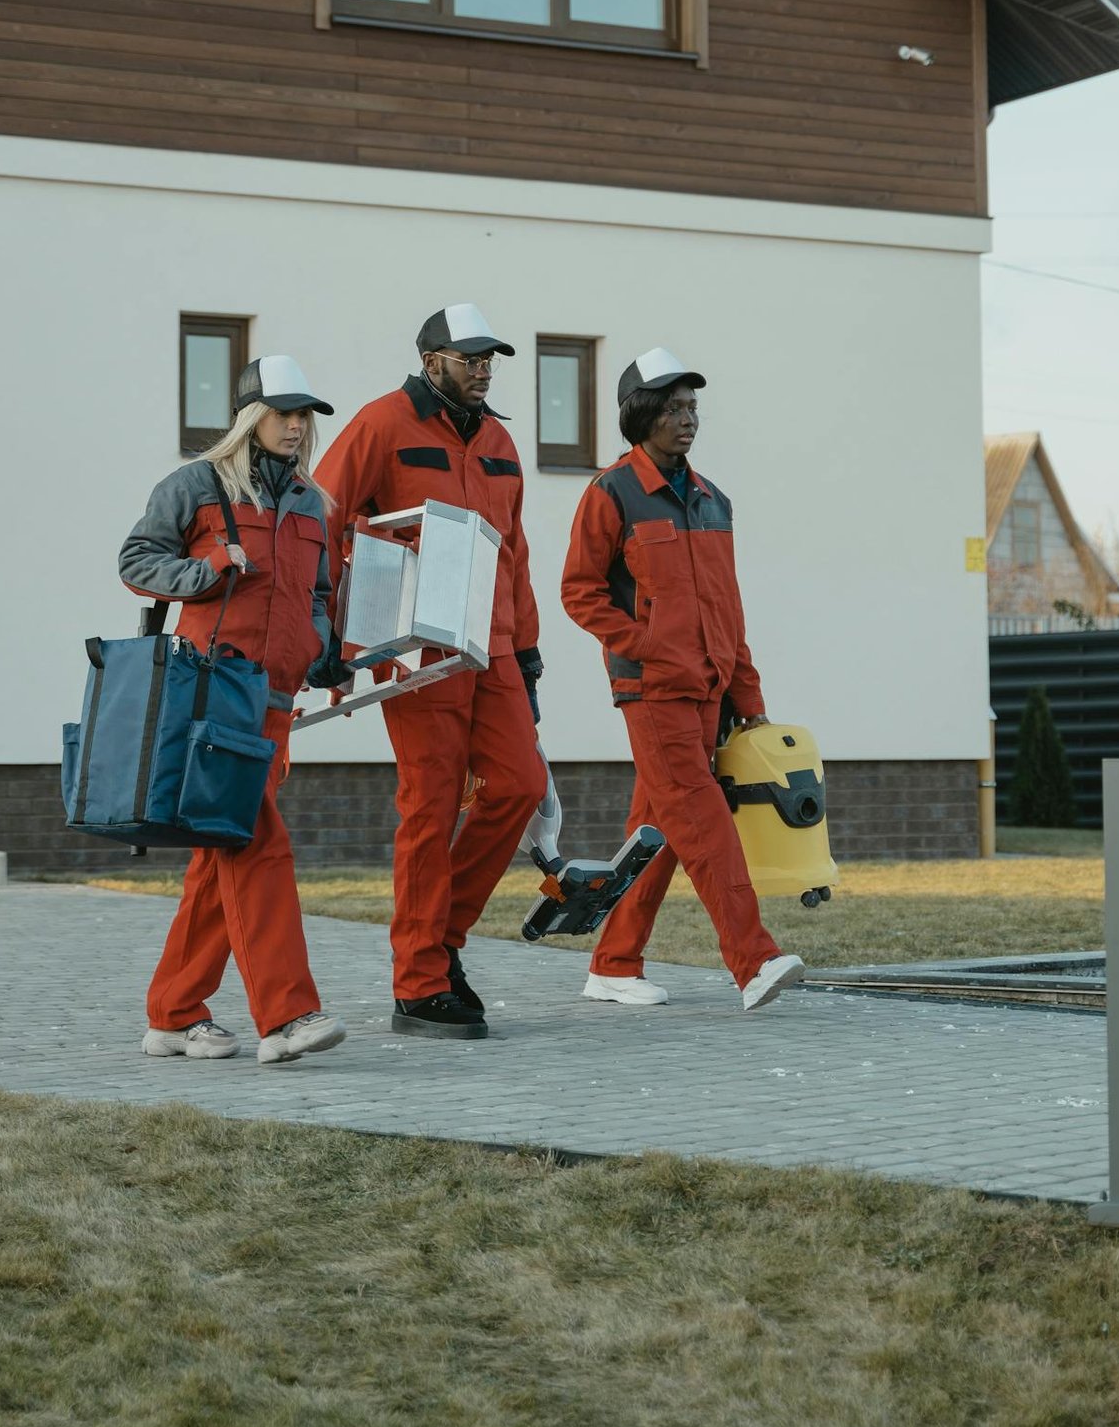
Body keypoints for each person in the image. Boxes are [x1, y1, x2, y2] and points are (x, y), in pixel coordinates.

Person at [316, 303, 546, 1040]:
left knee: (518, 786)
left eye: (490, 359)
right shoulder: (382, 424)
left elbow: (515, 551)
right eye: (468, 357)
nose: (482, 369)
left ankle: (441, 941)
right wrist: (327, 623)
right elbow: (322, 517)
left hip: (496, 646)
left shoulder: (502, 441)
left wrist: (529, 648)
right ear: (431, 360)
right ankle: (418, 985)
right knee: (431, 804)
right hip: (419, 650)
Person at [119, 355, 349, 1067]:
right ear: (252, 416)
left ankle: (174, 1014)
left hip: (275, 703)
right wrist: (207, 573)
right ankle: (285, 1017)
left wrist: (325, 648)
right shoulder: (198, 485)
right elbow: (136, 560)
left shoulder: (312, 503)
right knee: (257, 843)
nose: (297, 426)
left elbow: (314, 594)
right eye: (284, 413)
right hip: (212, 693)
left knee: (220, 856)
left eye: (304, 414)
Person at [561, 347, 803, 1013]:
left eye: (692, 407)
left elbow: (728, 605)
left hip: (711, 692)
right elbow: (579, 591)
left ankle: (612, 963)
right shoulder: (611, 492)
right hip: (653, 691)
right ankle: (753, 960)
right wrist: (649, 649)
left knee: (659, 830)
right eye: (672, 409)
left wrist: (746, 693)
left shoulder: (711, 499)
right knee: (704, 820)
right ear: (642, 417)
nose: (687, 420)